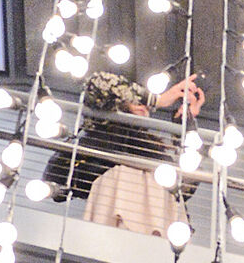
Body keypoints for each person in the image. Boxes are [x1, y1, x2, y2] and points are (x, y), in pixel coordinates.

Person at [50, 69, 204, 235]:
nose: (144, 106)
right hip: (112, 211)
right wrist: (156, 99)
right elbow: (98, 83)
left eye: (145, 103)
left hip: (154, 224)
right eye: (137, 99)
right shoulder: (104, 128)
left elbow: (186, 185)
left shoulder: (153, 150)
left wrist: (184, 124)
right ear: (120, 100)